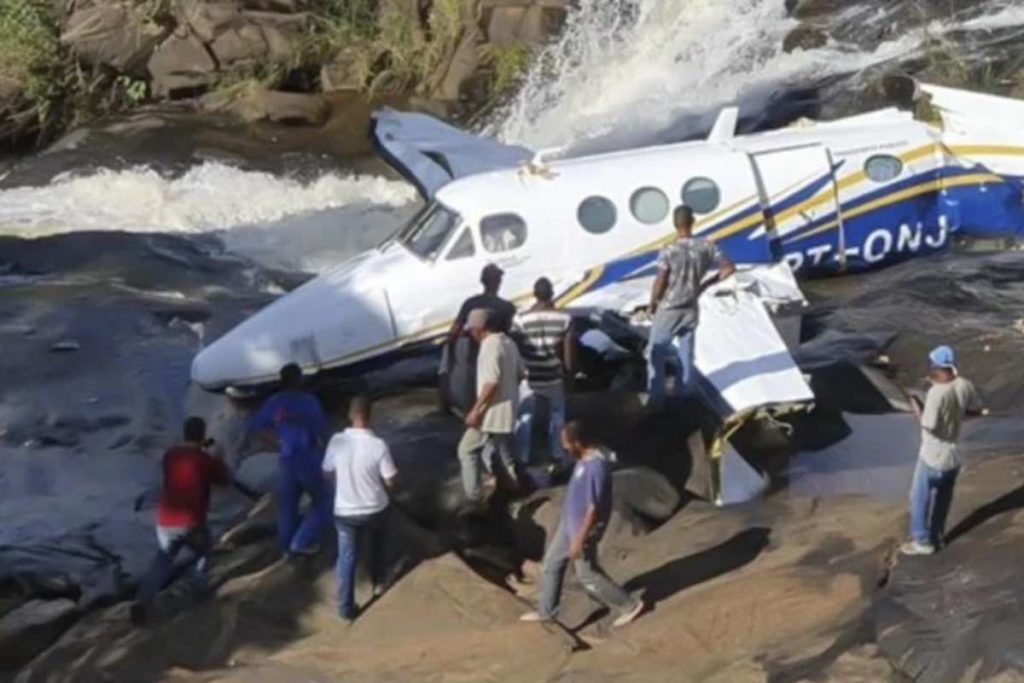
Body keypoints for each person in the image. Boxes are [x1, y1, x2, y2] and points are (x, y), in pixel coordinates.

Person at [520, 420, 644, 628]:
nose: (564, 447)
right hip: (569, 523)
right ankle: (547, 611)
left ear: (578, 442)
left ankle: (629, 605)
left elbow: (593, 508)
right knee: (551, 563)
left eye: (566, 443)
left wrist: (580, 538)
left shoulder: (596, 467)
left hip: (582, 529)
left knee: (587, 574)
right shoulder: (582, 459)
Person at [132, 416, 229, 624]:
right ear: (202, 435)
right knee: (203, 553)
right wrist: (217, 457)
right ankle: (198, 593)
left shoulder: (170, 455)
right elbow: (223, 480)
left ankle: (143, 600)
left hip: (166, 521)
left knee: (162, 561)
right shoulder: (204, 460)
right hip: (191, 522)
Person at [646, 205, 735, 410]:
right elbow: (729, 267)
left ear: (675, 224)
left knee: (655, 351)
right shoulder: (707, 245)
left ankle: (656, 399)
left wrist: (653, 303)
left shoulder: (668, 250)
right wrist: (706, 284)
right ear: (692, 222)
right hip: (691, 306)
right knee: (686, 351)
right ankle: (684, 394)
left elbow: (661, 280)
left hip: (670, 307)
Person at [901, 345, 984, 556]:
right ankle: (937, 537)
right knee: (943, 498)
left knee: (920, 498)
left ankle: (922, 541)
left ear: (938, 367)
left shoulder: (936, 393)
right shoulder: (965, 385)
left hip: (932, 455)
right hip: (954, 455)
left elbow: (928, 425)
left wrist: (916, 408)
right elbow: (973, 411)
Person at [322, 396, 397, 622]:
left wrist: (340, 483)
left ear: (350, 415)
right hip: (375, 508)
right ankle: (379, 582)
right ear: (370, 416)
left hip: (345, 512)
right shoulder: (378, 445)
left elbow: (326, 472)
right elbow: (391, 479)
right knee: (378, 542)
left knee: (347, 557)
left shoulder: (336, 441)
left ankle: (345, 609)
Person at [246, 363, 331, 557]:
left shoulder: (274, 402)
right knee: (324, 501)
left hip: (287, 459)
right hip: (308, 458)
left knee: (287, 506)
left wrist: (277, 442)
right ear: (298, 379)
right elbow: (322, 434)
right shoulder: (309, 401)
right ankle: (302, 540)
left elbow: (255, 427)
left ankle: (286, 547)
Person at [461, 308, 525, 503]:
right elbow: (521, 374)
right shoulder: (508, 342)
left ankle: (474, 498)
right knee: (503, 450)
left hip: (491, 412)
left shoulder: (489, 345)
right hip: (508, 409)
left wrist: (476, 410)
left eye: (471, 330)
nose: (471, 335)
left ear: (479, 328)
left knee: (466, 449)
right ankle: (513, 484)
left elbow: (491, 383)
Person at [513, 277, 575, 468]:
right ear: (552, 294)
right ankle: (557, 455)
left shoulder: (521, 319)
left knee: (524, 418)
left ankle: (521, 458)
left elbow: (517, 348)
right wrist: (570, 376)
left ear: (534, 294)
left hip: (530, 376)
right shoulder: (565, 319)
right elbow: (568, 353)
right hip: (553, 376)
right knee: (557, 416)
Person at [440, 264, 517, 412]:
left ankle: (469, 412)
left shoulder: (471, 303)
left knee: (473, 391)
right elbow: (509, 334)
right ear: (498, 283)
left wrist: (449, 346)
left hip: (473, 355)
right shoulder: (507, 307)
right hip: (496, 355)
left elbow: (455, 330)